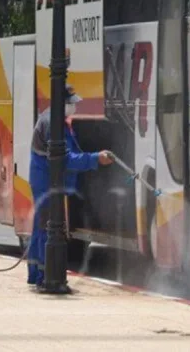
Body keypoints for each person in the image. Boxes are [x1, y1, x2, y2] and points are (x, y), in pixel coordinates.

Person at [27, 84, 113, 288]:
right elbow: (64, 159)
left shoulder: (55, 120)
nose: (74, 107)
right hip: (46, 182)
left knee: (42, 228)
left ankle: (37, 274)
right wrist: (95, 159)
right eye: (70, 103)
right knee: (45, 229)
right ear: (60, 103)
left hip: (47, 180)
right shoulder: (51, 123)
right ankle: (44, 277)